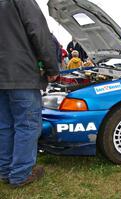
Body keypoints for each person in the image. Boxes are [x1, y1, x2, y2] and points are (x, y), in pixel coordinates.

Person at [0, 0, 59, 187]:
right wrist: (52, 69)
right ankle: (20, 174)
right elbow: (39, 33)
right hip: (22, 74)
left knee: (5, 125)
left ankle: (5, 170)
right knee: (27, 125)